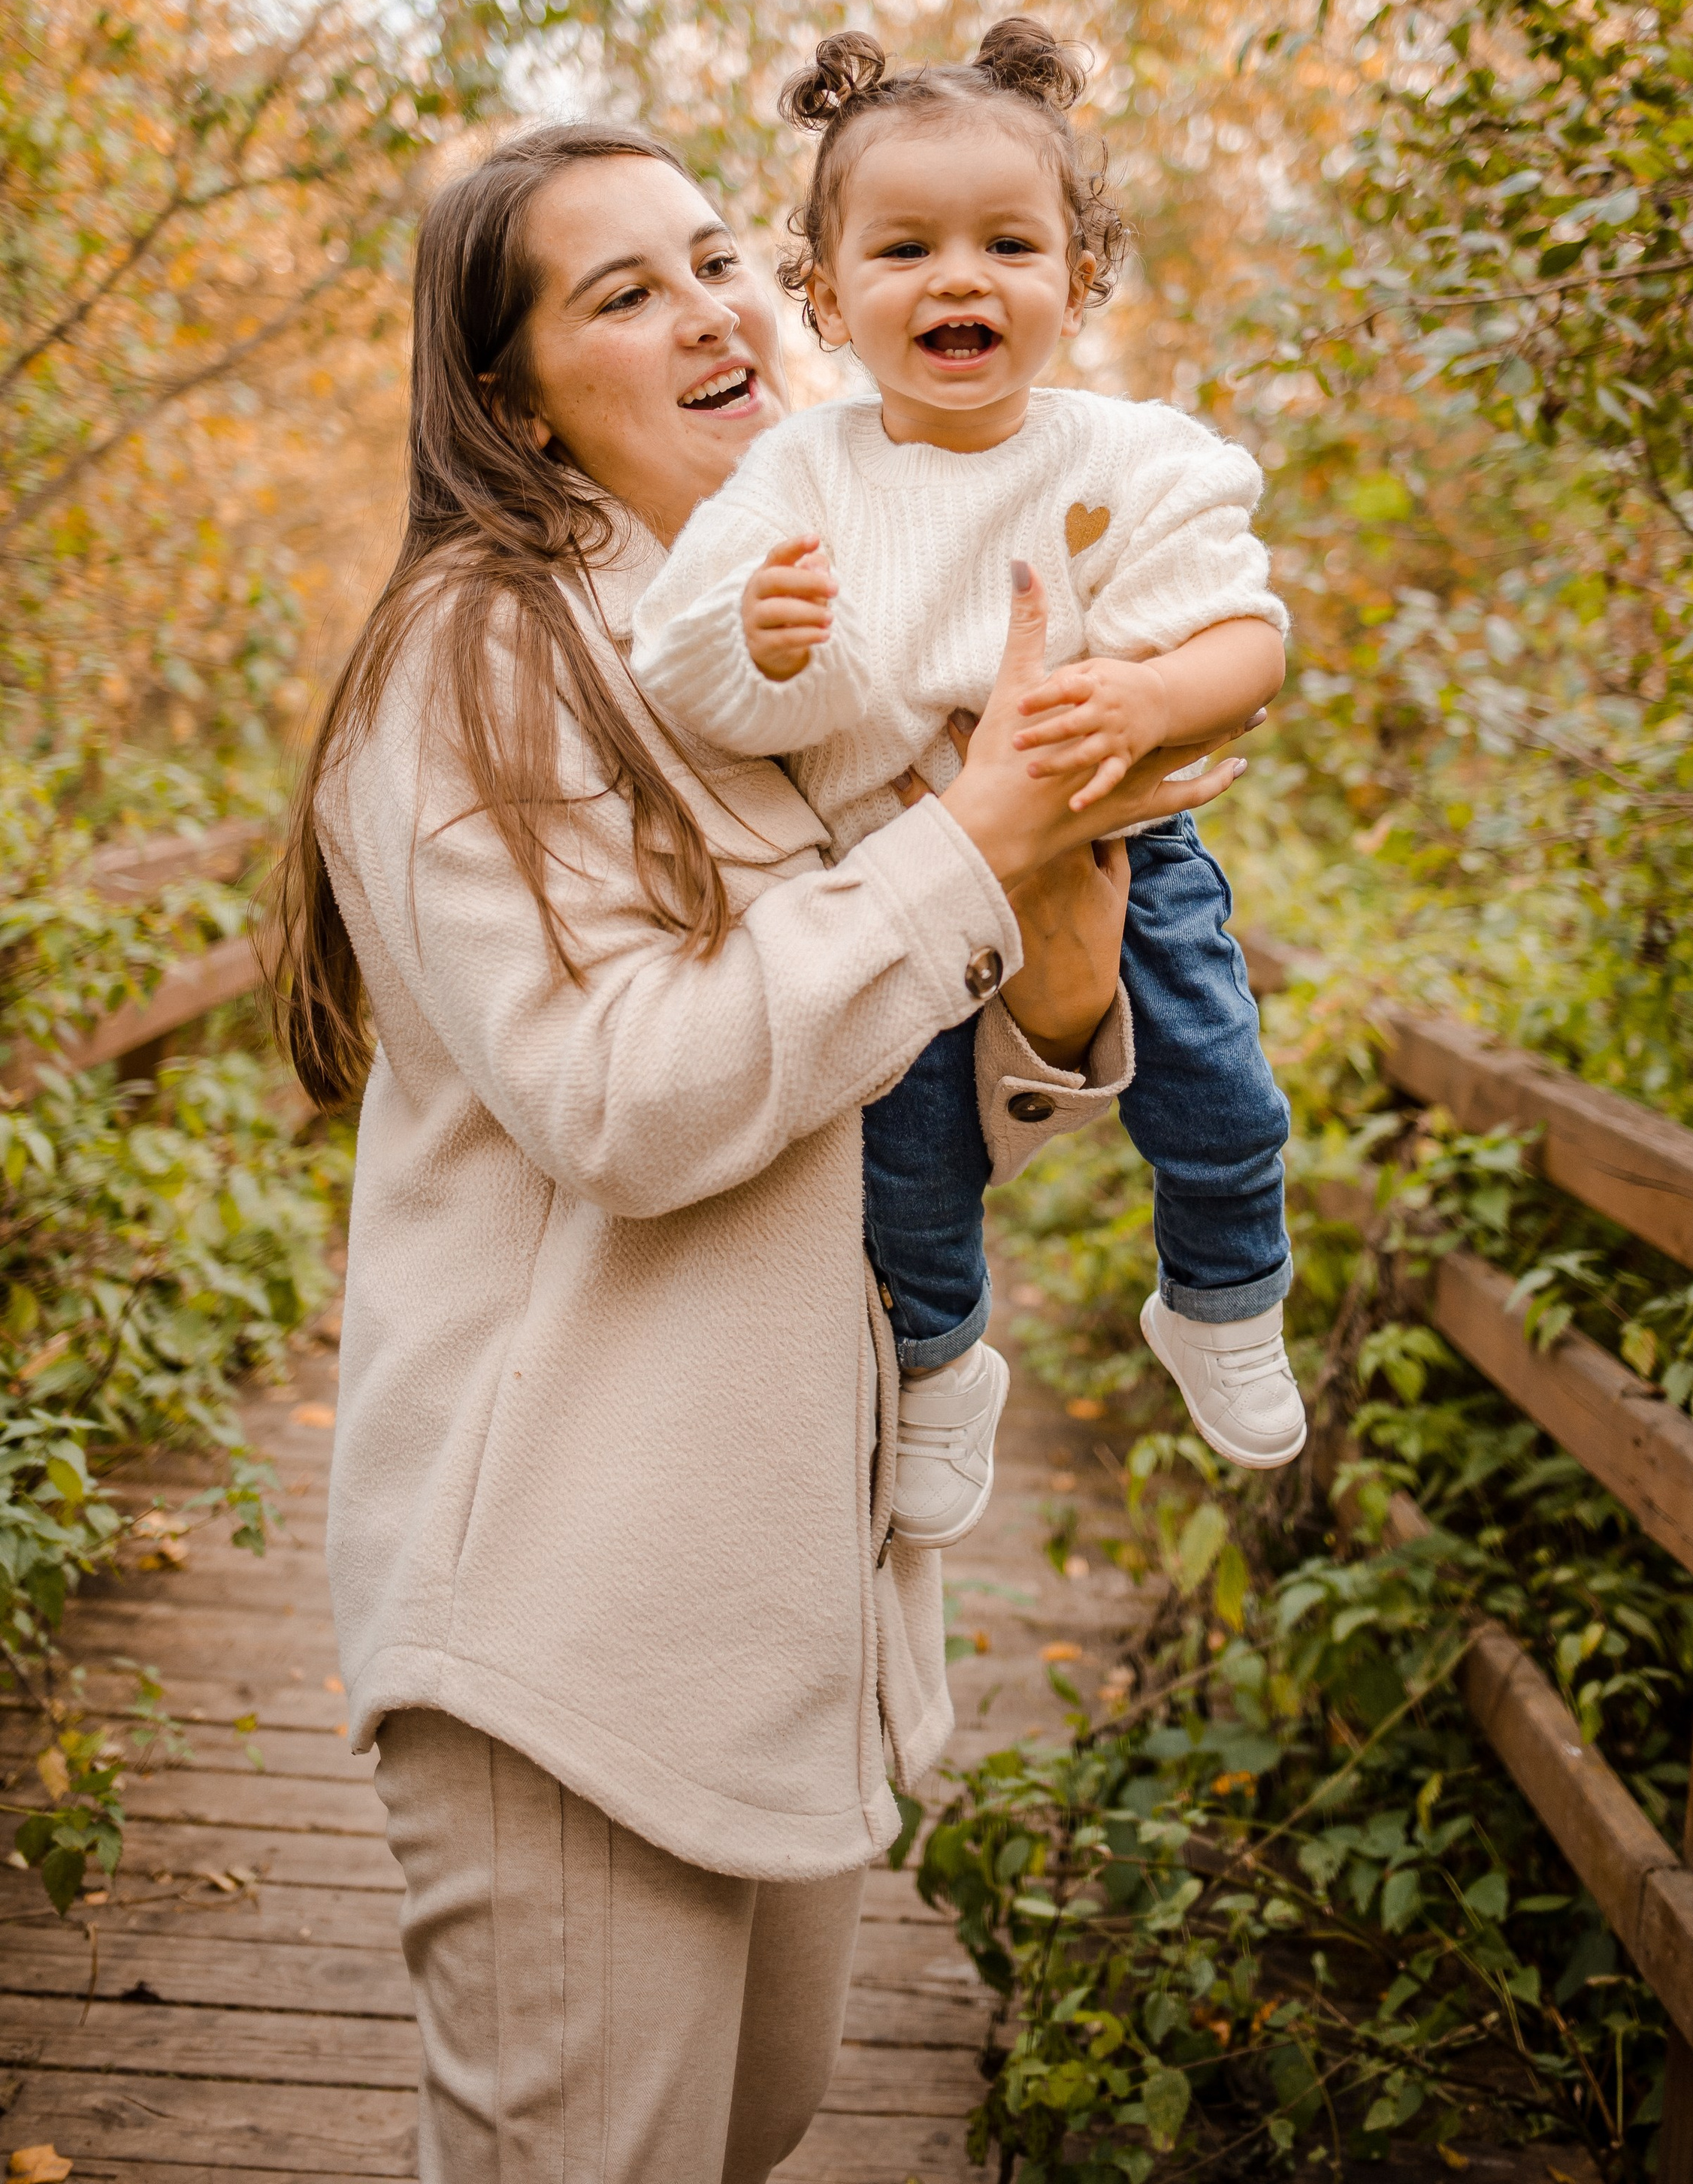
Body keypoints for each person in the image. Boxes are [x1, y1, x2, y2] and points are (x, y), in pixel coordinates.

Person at [268, 121, 1247, 2183]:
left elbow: (972, 1090)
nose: (710, 308)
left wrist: (1062, 910)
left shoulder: (831, 631)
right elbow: (625, 1100)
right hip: (566, 1610)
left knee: (753, 2126)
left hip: (783, 1597)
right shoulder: (492, 653)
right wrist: (971, 845)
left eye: (717, 258)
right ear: (515, 394)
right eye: (621, 292)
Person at [631, 20, 1305, 1553]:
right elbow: (682, 670)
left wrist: (1144, 693)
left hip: (1126, 840)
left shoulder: (1132, 456)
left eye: (1007, 242)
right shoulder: (798, 477)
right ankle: (938, 1365)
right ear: (821, 297)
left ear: (1076, 281)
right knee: (906, 1158)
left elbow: (1245, 643)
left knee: (1221, 1094)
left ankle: (1220, 1297)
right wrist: (757, 634)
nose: (958, 278)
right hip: (897, 863)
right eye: (905, 247)